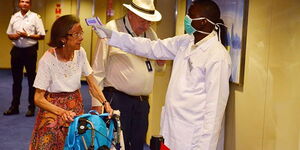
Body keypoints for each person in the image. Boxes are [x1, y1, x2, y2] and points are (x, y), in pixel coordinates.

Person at [94, 0, 232, 149]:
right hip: (172, 129)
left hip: (193, 137)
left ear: (203, 22)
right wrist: (112, 36)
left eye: (190, 15)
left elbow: (215, 111)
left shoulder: (217, 57)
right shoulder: (185, 42)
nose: (186, 18)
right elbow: (148, 47)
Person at [29, 15, 113, 150]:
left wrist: (105, 103)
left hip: (75, 108)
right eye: (76, 34)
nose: (81, 37)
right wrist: (62, 112)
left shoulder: (80, 53)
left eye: (81, 33)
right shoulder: (47, 60)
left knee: (77, 144)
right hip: (53, 110)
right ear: (63, 38)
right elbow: (38, 98)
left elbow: (92, 83)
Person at [91, 0, 166, 149]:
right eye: (142, 20)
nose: (146, 25)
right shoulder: (111, 30)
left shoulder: (150, 33)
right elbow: (98, 69)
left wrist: (160, 64)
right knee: (116, 143)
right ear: (130, 14)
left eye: (149, 22)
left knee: (137, 144)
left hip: (142, 103)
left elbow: (157, 68)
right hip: (117, 99)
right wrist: (96, 104)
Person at [4, 0, 45, 117]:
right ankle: (14, 107)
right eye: (22, 1)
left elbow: (41, 35)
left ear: (30, 5)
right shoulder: (14, 17)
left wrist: (26, 35)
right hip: (16, 50)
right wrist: (14, 36)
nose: (24, 4)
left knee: (32, 80)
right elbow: (9, 34)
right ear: (19, 4)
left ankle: (31, 107)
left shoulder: (35, 17)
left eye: (27, 2)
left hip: (30, 51)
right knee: (16, 81)